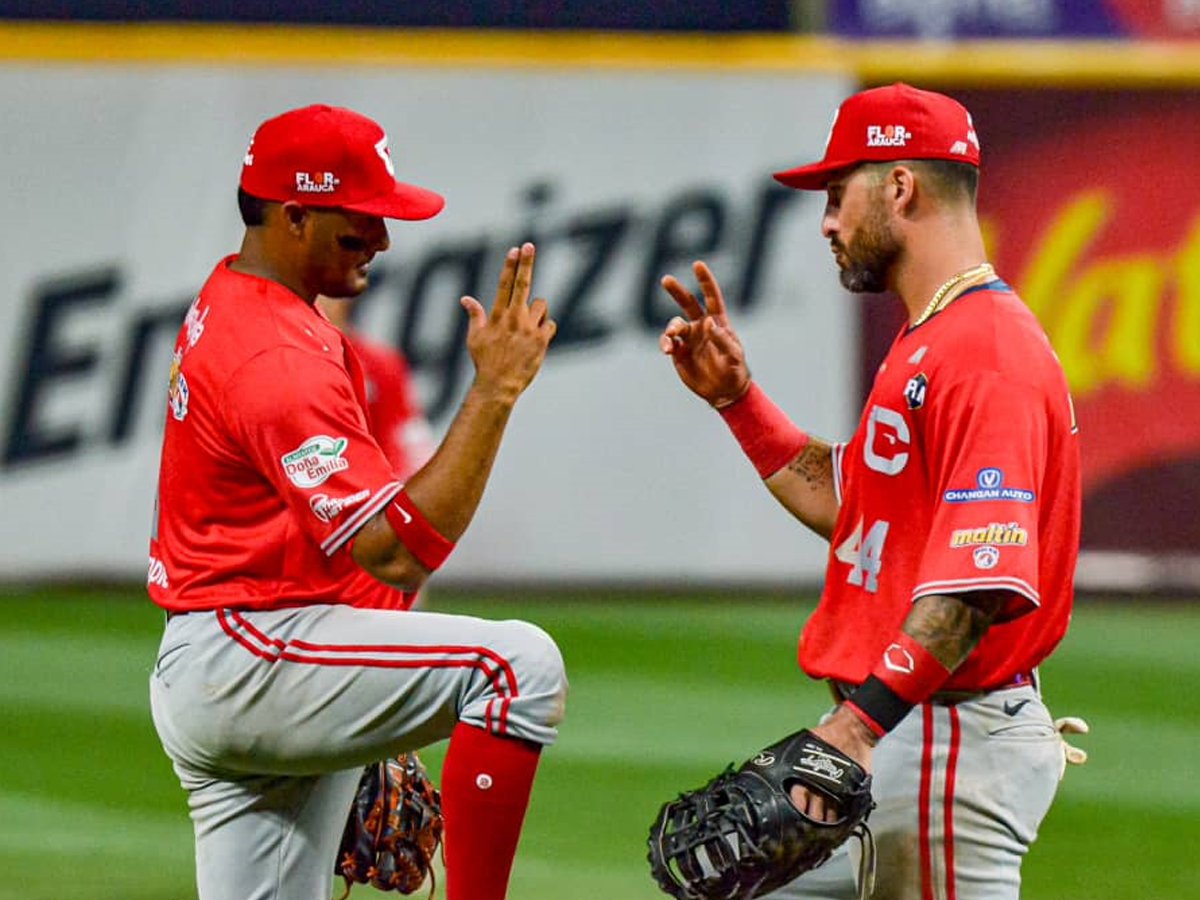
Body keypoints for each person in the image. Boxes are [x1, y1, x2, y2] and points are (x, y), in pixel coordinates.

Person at [658, 83, 1082, 900]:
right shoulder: (934, 337)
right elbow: (861, 509)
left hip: (943, 741)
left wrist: (854, 728)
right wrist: (737, 401)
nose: (825, 221)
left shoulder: (984, 353)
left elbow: (974, 589)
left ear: (899, 187)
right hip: (911, 729)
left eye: (836, 194)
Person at [147, 103, 566, 900]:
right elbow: (396, 549)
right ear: (294, 214)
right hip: (251, 652)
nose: (381, 236)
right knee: (515, 667)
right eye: (360, 218)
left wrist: (368, 700)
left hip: (235, 650)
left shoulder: (241, 299)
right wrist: (495, 391)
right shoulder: (275, 354)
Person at [315, 293, 436, 479]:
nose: (316, 302)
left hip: (373, 492)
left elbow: (407, 440)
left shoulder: (381, 365)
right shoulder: (282, 361)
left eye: (324, 293)